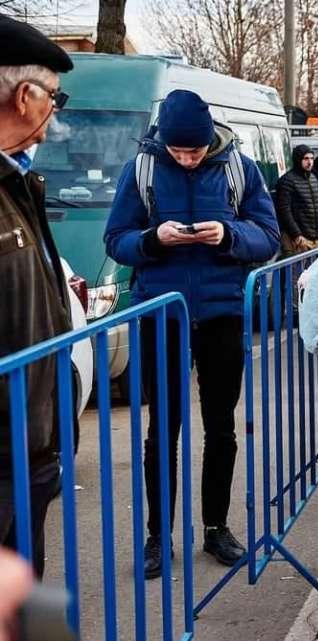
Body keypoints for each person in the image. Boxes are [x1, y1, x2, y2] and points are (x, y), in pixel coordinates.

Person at [105, 89, 280, 579]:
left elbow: (268, 236)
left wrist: (228, 236)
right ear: (164, 141)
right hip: (162, 312)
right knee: (162, 428)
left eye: (195, 151)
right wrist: (150, 240)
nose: (187, 159)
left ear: (210, 141)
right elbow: (116, 239)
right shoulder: (139, 170)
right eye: (179, 152)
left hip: (223, 312)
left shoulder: (238, 168)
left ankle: (216, 527)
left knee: (222, 426)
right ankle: (158, 537)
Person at [0, 16, 75, 578]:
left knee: (35, 608)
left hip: (30, 452)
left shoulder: (20, 181)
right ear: (25, 97)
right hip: (7, 456)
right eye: (54, 96)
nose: (54, 114)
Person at [275, 144, 318, 256]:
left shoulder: (313, 178)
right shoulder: (287, 181)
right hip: (299, 240)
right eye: (306, 158)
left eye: (312, 158)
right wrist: (297, 235)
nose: (310, 162)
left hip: (316, 239)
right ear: (298, 159)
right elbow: (284, 211)